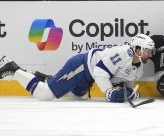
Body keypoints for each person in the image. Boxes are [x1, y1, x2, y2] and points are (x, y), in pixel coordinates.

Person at [0, 34, 155, 103]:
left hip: (87, 77)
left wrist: (131, 93)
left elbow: (124, 85)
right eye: (148, 51)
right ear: (138, 49)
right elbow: (100, 72)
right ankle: (13, 69)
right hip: (81, 67)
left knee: (77, 96)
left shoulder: (138, 68)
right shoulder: (122, 53)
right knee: (45, 95)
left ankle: (41, 77)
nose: (150, 54)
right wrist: (109, 93)